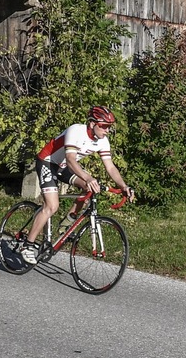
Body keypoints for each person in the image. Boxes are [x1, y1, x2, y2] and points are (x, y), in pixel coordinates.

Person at [22, 106, 134, 265]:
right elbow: (71, 160)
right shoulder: (76, 131)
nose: (107, 130)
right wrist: (88, 177)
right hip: (48, 162)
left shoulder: (102, 141)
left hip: (63, 167)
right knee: (52, 206)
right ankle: (28, 245)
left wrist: (124, 186)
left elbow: (110, 167)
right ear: (92, 124)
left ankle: (65, 225)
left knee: (88, 188)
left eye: (109, 127)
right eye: (104, 126)